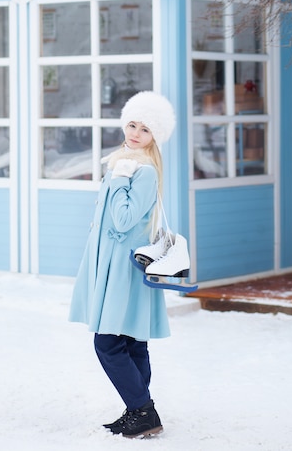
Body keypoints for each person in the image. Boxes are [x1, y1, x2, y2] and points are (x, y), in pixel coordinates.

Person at [69, 90, 176, 439]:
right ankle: (139, 410)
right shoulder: (124, 160)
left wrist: (118, 178)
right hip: (113, 262)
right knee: (130, 340)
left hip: (123, 267)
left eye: (145, 129)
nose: (135, 133)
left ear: (154, 136)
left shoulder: (140, 170)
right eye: (132, 124)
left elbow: (123, 219)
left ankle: (143, 410)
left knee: (109, 343)